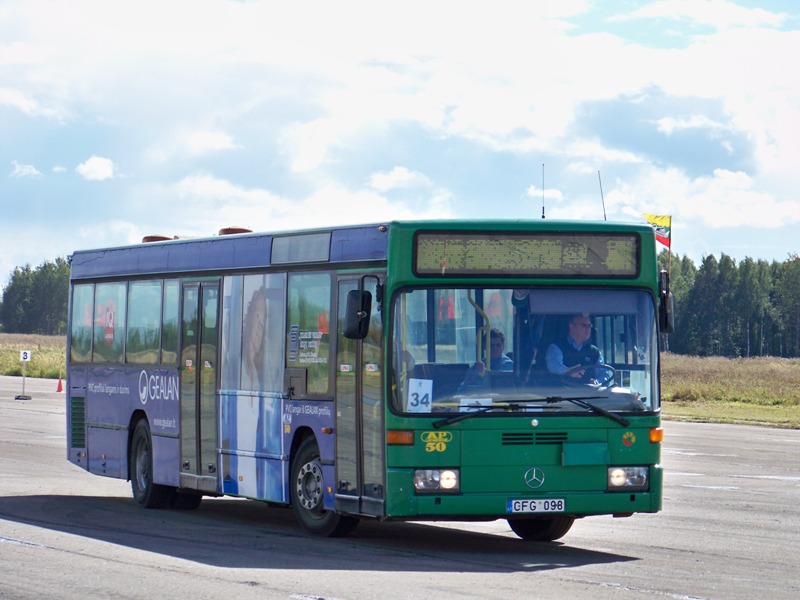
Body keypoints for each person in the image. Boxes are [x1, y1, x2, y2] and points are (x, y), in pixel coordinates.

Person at [545, 314, 603, 381]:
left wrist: (598, 382)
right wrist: (568, 371)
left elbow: (604, 373)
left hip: (590, 391)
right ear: (571, 326)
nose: (588, 329)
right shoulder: (557, 347)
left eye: (589, 325)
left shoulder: (595, 352)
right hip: (563, 390)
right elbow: (553, 366)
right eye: (584, 325)